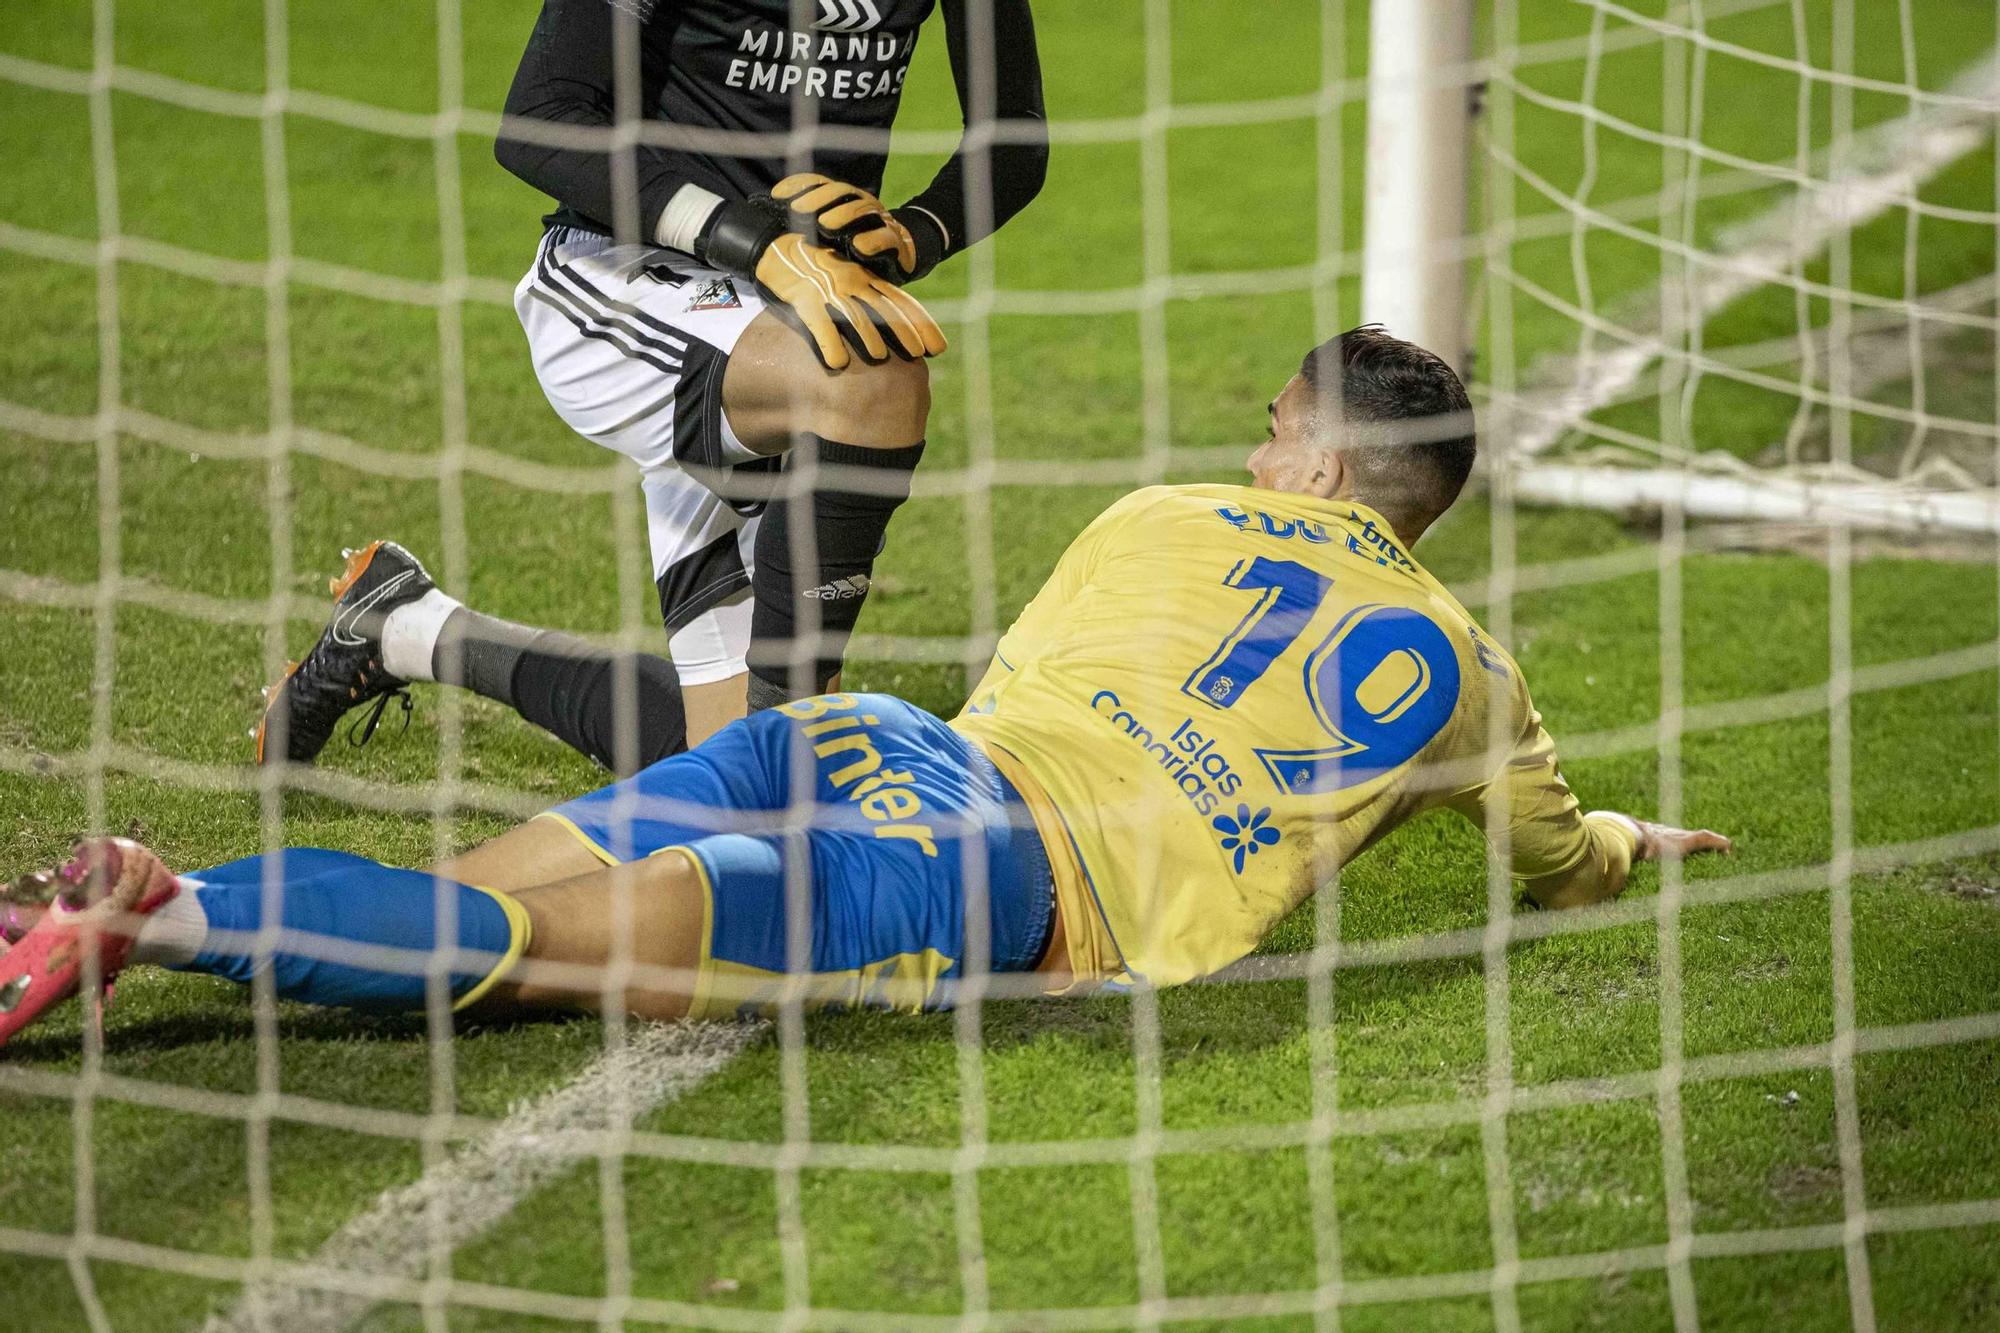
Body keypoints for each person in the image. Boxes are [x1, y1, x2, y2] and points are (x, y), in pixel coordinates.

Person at [1, 329, 1730, 1044]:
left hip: (865, 744)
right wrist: (1631, 842)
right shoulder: (1473, 681)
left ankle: (170, 897)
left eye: (1280, 429)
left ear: (1337, 474)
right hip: (990, 869)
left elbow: (1026, 674)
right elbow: (1560, 857)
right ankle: (153, 926)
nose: (1255, 446)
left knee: (479, 903)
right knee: (535, 963)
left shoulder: (1156, 513)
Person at [254, 0, 1049, 769]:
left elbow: (1012, 137)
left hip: (779, 325)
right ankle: (784, 772)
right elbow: (542, 116)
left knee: (719, 762)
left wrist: (916, 231)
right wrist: (743, 236)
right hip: (622, 276)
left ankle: (406, 626)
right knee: (871, 378)